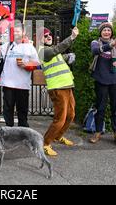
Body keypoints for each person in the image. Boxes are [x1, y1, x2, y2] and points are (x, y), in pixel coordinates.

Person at [38, 27, 79, 156]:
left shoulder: (51, 50)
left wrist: (68, 56)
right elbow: (55, 51)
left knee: (71, 115)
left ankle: (58, 136)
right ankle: (45, 143)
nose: (48, 36)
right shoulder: (41, 51)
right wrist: (71, 38)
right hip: (57, 88)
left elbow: (59, 56)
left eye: (49, 34)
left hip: (67, 86)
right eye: (45, 36)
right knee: (60, 119)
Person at [89, 22, 116, 147]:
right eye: (104, 30)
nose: (106, 32)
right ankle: (98, 132)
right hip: (101, 80)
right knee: (100, 107)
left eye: (109, 30)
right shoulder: (95, 42)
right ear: (100, 32)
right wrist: (111, 44)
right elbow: (95, 51)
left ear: (111, 32)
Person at [0, 22, 40, 127]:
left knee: (22, 111)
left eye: (18, 31)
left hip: (22, 84)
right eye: (14, 31)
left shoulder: (29, 47)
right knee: (8, 111)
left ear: (24, 32)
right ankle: (9, 132)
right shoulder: (6, 46)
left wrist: (26, 65)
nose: (16, 33)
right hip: (8, 84)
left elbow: (37, 63)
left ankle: (23, 133)